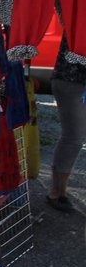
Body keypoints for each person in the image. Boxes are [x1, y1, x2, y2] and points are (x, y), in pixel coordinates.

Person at [48, 36, 86, 213]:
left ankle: (58, 191)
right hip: (72, 81)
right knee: (73, 138)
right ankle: (56, 192)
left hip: (71, 80)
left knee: (72, 138)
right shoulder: (79, 16)